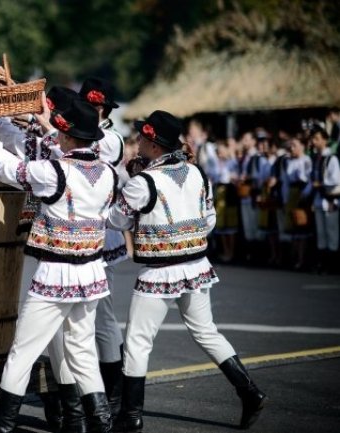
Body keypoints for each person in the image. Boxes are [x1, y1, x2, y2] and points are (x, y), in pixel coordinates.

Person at [108, 110, 267, 432]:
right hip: (196, 266)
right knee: (206, 331)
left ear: (153, 145)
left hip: (159, 273)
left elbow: (116, 220)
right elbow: (209, 220)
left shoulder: (143, 182)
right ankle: (249, 391)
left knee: (138, 342)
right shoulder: (196, 173)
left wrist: (136, 193)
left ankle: (131, 415)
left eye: (142, 137)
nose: (136, 140)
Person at [0, 99, 115, 433]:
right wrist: (51, 130)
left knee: (22, 353)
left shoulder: (53, 172)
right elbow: (58, 152)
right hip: (91, 274)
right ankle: (100, 423)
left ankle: (4, 426)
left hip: (56, 275)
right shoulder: (108, 173)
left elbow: (4, 168)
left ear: (68, 137)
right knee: (82, 353)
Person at [80, 77, 128, 417]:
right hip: (75, 231)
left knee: (102, 315)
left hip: (99, 232)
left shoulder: (111, 139)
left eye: (98, 107)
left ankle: (114, 388)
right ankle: (87, 387)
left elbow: (86, 146)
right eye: (91, 106)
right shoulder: (74, 131)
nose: (95, 111)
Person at [309, 127, 339, 273]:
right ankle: (322, 263)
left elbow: (336, 181)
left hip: (330, 200)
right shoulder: (316, 159)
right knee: (321, 233)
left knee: (331, 232)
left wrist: (320, 184)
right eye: (313, 139)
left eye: (317, 139)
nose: (314, 142)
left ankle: (332, 264)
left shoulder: (332, 159)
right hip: (318, 200)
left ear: (325, 140)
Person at [237, 132, 269, 263]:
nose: (244, 142)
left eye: (246, 139)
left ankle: (259, 255)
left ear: (253, 141)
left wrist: (249, 178)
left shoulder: (258, 158)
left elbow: (262, 177)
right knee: (248, 225)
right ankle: (250, 253)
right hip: (245, 194)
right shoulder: (245, 157)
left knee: (255, 224)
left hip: (253, 194)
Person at [282, 138, 312, 270]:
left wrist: (304, 194)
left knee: (302, 226)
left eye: (294, 145)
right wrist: (285, 199)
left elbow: (309, 180)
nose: (291, 148)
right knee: (293, 228)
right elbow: (285, 182)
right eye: (291, 146)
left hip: (302, 193)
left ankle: (302, 259)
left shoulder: (306, 161)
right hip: (292, 194)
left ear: (302, 146)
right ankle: (293, 258)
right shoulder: (289, 162)